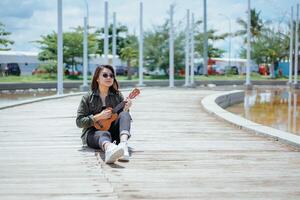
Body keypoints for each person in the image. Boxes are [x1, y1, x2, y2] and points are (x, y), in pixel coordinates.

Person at [76, 64, 132, 164]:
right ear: (97, 78)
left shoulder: (117, 96)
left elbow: (122, 119)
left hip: (114, 133)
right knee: (104, 134)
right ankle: (109, 149)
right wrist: (98, 117)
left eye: (111, 75)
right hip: (93, 134)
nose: (109, 77)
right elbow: (79, 122)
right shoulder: (88, 98)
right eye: (105, 75)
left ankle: (123, 145)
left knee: (125, 115)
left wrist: (126, 109)